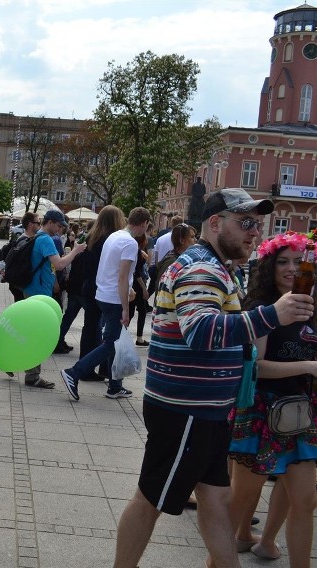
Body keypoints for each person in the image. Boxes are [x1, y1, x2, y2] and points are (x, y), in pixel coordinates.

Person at [112, 189, 314, 568]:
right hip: (185, 409)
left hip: (204, 410)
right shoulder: (202, 266)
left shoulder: (220, 267)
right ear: (216, 223)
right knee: (150, 499)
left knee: (216, 499)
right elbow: (201, 332)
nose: (255, 232)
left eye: (258, 224)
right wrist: (273, 315)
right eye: (246, 222)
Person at [227, 231, 316, 566]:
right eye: (283, 262)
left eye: (299, 261)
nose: (292, 269)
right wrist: (308, 365)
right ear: (269, 266)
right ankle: (215, 560)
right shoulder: (263, 309)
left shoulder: (310, 304)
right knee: (240, 503)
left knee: (305, 502)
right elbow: (258, 368)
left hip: (301, 415)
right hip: (261, 414)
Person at [61, 207, 152, 400]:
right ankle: (74, 373)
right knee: (111, 343)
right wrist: (126, 308)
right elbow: (122, 276)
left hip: (103, 295)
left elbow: (108, 269)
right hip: (114, 299)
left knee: (115, 341)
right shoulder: (129, 243)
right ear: (144, 224)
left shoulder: (116, 236)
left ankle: (115, 385)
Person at [23, 210, 87, 388]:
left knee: (31, 333)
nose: (60, 230)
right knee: (37, 336)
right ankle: (32, 376)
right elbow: (59, 264)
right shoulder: (45, 239)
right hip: (38, 294)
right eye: (59, 226)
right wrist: (75, 251)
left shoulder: (37, 237)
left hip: (34, 291)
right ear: (49, 222)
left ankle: (26, 370)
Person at [129, 232, 150, 347]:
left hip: (133, 284)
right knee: (141, 311)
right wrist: (144, 289)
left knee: (132, 311)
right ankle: (139, 338)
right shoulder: (136, 251)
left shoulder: (135, 250)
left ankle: (123, 331)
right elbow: (137, 273)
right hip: (138, 285)